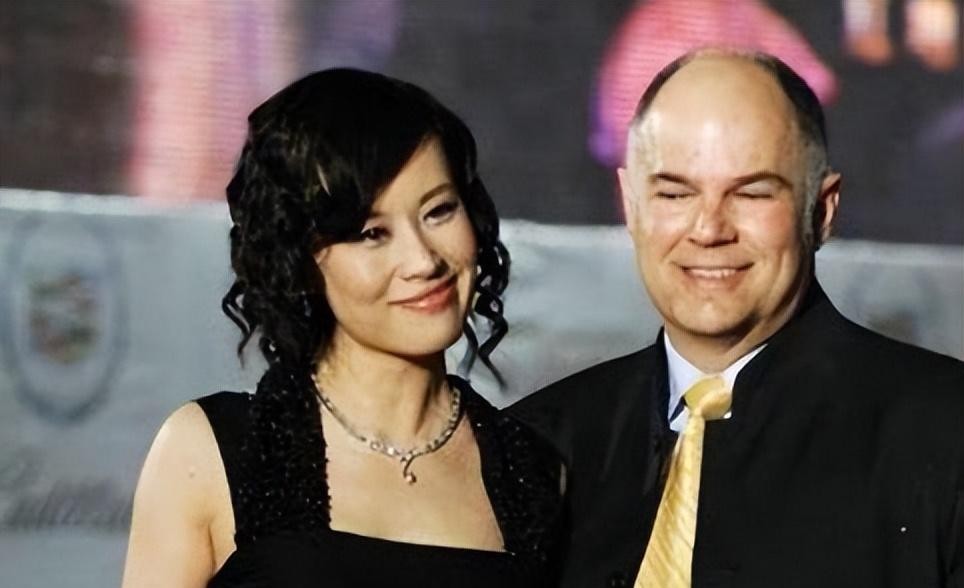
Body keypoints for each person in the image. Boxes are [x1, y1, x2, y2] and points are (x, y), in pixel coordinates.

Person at [511, 49, 964, 587]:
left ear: (822, 210)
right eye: (675, 193)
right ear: (631, 205)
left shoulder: (945, 432)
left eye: (751, 193)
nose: (709, 229)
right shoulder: (534, 448)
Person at [122, 69, 564, 588]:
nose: (423, 260)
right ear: (301, 259)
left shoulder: (533, 475)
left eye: (439, 211)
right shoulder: (208, 452)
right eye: (372, 233)